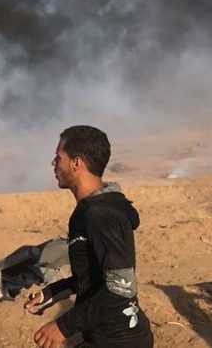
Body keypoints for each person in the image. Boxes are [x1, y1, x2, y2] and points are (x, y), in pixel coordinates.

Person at [24, 126, 153, 348]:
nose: (53, 163)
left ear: (76, 163)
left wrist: (63, 326)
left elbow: (121, 287)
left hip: (119, 341)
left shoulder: (101, 216)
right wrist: (52, 293)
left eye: (58, 157)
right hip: (104, 337)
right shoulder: (88, 211)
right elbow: (93, 276)